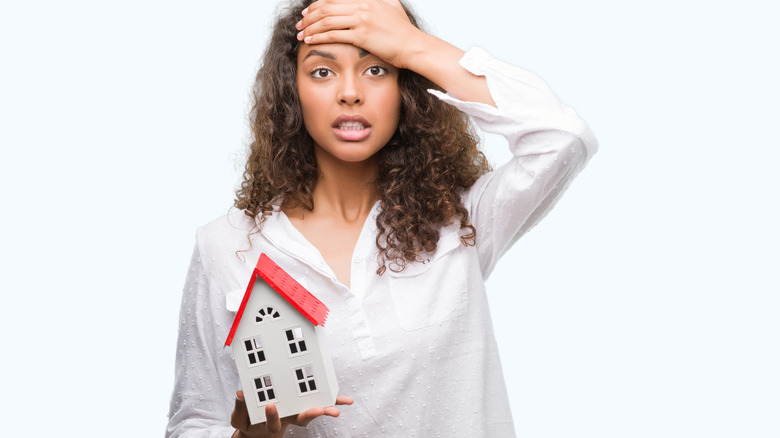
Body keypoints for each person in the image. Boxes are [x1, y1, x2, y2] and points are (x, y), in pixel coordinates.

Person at [165, 0, 597, 436]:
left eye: (377, 70)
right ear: (291, 93)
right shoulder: (227, 245)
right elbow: (193, 422)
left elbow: (563, 139)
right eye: (322, 71)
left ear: (406, 90)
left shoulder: (460, 218)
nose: (350, 92)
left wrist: (413, 45)